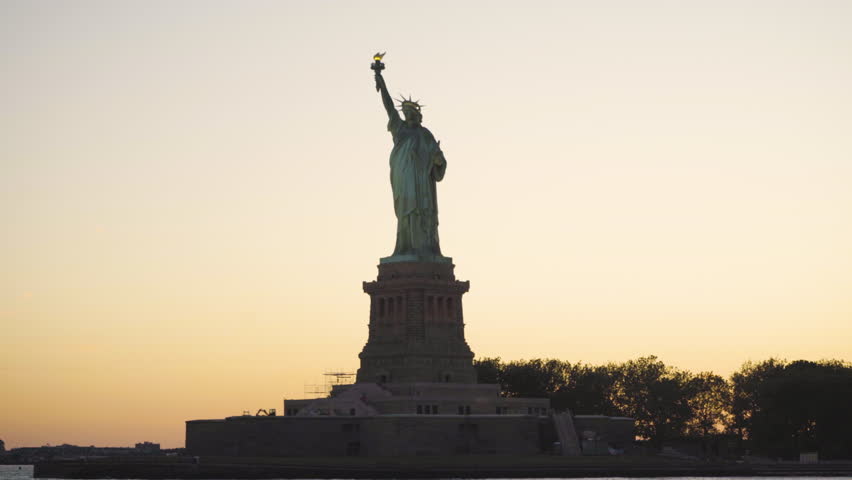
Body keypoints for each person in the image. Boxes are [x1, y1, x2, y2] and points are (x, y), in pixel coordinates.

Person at [374, 70, 449, 262]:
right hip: (404, 179)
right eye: (406, 113)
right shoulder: (400, 130)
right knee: (406, 213)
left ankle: (424, 247)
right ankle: (405, 246)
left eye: (411, 113)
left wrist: (438, 161)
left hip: (422, 183)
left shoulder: (425, 135)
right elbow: (389, 107)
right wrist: (381, 82)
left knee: (422, 212)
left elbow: (438, 159)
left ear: (418, 115)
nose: (408, 116)